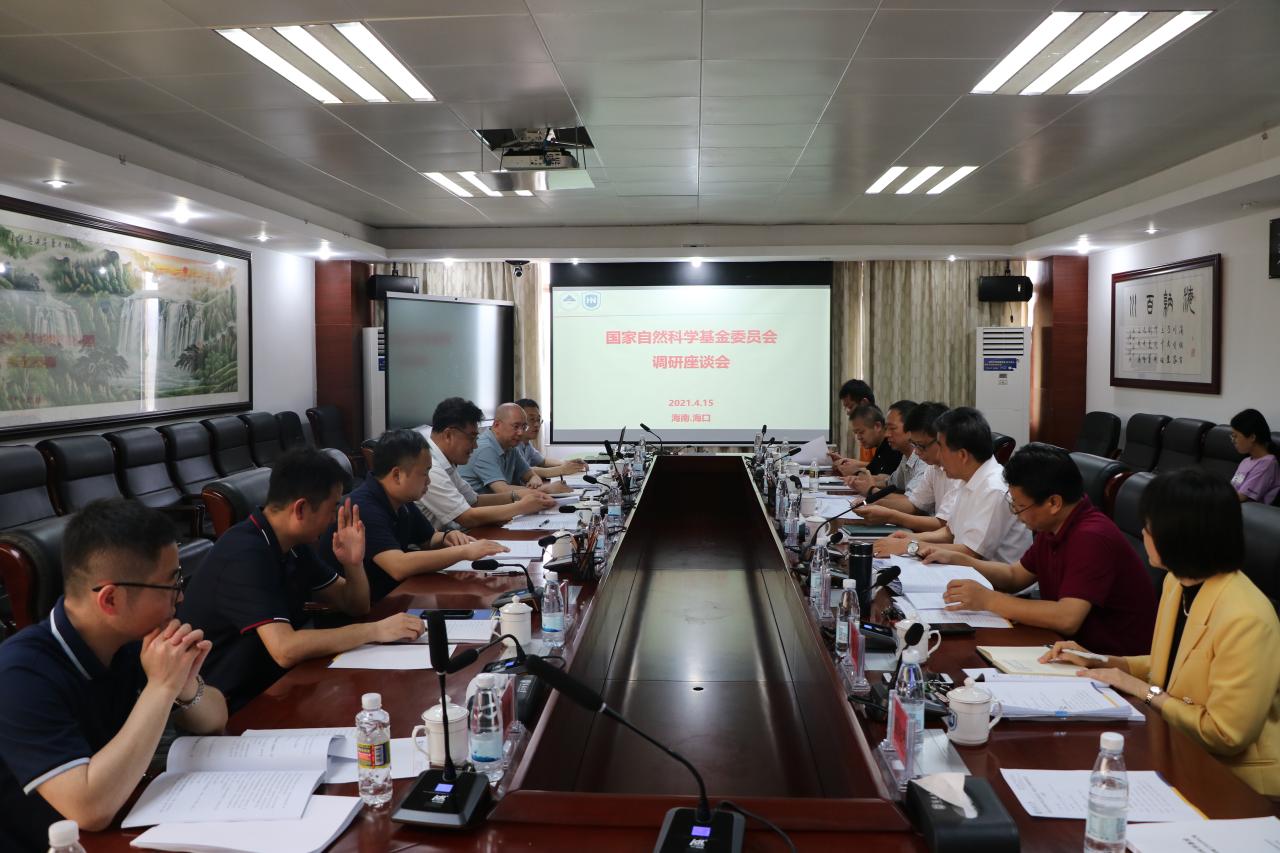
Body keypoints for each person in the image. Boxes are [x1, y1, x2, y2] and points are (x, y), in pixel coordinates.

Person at [0, 500, 228, 848]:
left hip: (116, 822)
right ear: (110, 600)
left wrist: (184, 685)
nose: (180, 597)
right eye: (171, 585)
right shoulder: (19, 675)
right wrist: (161, 686)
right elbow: (89, 809)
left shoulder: (126, 640)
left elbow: (215, 718)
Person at [1044, 468, 1280, 797]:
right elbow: (1173, 665)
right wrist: (1104, 662)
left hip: (1235, 781)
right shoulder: (1177, 581)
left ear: (1179, 536)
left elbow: (1225, 735)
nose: (1142, 533)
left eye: (1150, 527)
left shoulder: (1247, 617)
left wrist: (1143, 690)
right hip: (1175, 746)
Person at [179, 447, 424, 711]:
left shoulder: (293, 544)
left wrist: (353, 564)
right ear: (301, 509)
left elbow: (356, 605)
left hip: (275, 684)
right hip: (225, 703)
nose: (333, 519)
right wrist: (376, 630)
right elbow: (285, 649)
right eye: (332, 509)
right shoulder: (245, 553)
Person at [930, 443, 1156, 655]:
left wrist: (989, 600)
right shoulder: (1054, 525)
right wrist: (960, 560)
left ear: (1054, 503)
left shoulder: (1091, 537)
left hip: (1109, 659)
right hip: (1066, 646)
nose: (1016, 514)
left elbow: (1067, 618)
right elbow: (1015, 575)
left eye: (1020, 506)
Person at [334, 429, 509, 602]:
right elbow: (398, 566)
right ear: (397, 475)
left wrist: (446, 537)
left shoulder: (400, 499)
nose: (429, 481)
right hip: (369, 606)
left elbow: (428, 539)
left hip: (396, 593)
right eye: (425, 473)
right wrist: (464, 551)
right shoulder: (362, 508)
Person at [874, 407, 1032, 561]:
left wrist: (911, 546)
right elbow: (949, 533)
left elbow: (971, 553)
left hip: (987, 577)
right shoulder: (968, 478)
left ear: (962, 455)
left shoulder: (993, 488)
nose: (939, 456)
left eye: (942, 448)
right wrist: (911, 538)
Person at [418, 397, 557, 531]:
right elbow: (467, 517)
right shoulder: (431, 468)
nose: (475, 445)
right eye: (472, 438)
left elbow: (475, 501)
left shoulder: (446, 463)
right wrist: (521, 506)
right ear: (448, 435)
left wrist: (518, 495)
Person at [851, 401, 955, 533]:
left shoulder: (957, 472)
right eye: (915, 445)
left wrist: (891, 516)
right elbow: (914, 504)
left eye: (921, 445)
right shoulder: (933, 467)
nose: (916, 452)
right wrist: (873, 503)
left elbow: (945, 527)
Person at [459, 403, 571, 496]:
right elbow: (502, 490)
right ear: (497, 425)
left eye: (524, 427)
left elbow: (531, 474)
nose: (521, 432)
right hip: (478, 511)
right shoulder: (485, 449)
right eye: (516, 426)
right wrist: (546, 489)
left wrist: (534, 480)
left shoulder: (511, 446)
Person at [846, 400, 927, 499]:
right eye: (887, 428)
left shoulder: (924, 460)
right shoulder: (906, 457)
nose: (887, 434)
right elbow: (891, 483)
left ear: (911, 428)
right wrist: (862, 481)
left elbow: (911, 504)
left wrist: (871, 490)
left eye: (892, 428)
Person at [514, 398, 588, 479]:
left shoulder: (527, 444)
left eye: (538, 420)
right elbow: (524, 470)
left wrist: (568, 463)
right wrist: (562, 469)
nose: (537, 424)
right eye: (532, 419)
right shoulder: (513, 445)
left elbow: (543, 462)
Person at [1228, 409, 1280, 504]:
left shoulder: (1267, 464)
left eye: (1235, 436)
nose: (1233, 441)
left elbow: (1242, 497)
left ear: (1252, 437)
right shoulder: (1246, 461)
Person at [840, 405, 902, 479]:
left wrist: (855, 473)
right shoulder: (880, 447)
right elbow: (870, 471)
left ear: (877, 426)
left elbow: (885, 480)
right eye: (856, 433)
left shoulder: (892, 447)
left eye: (861, 432)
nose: (858, 437)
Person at [829, 379, 877, 472]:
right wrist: (844, 461)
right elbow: (869, 466)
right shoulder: (863, 429)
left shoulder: (876, 431)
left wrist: (853, 463)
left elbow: (884, 469)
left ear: (864, 403)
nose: (848, 412)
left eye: (850, 407)